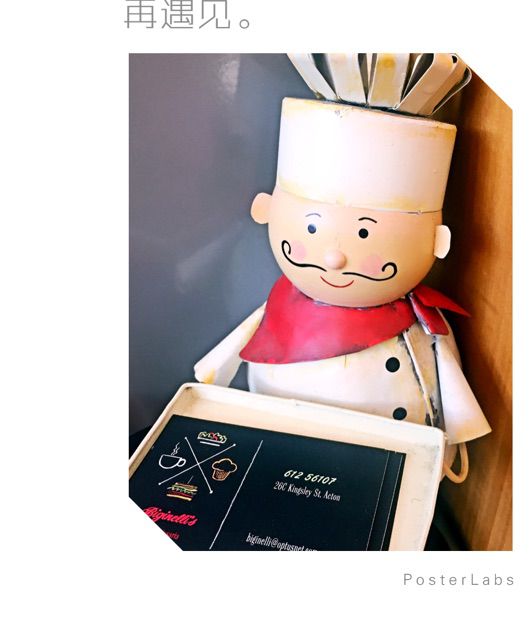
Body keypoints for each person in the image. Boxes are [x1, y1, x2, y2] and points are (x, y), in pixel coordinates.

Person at [194, 97, 490, 482]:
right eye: (312, 227)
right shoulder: (281, 307)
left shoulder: (422, 321)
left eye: (365, 233)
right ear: (265, 210)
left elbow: (449, 387)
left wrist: (450, 442)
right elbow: (225, 359)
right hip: (280, 457)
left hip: (381, 469)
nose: (334, 258)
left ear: (437, 241)